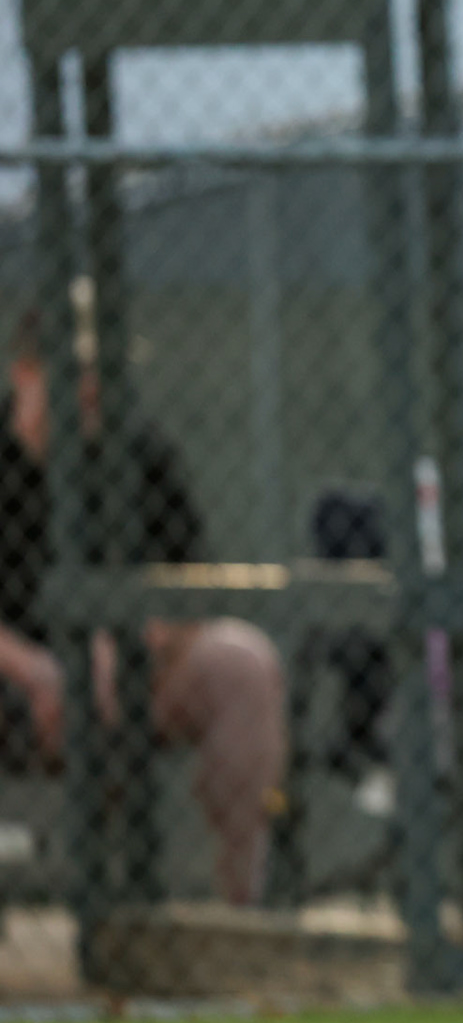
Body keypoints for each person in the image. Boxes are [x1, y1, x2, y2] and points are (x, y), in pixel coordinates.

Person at [0, 308, 286, 905]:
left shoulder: (141, 451)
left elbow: (192, 587)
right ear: (25, 372)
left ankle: (241, 916)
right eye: (76, 369)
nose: (95, 385)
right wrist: (37, 670)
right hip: (20, 680)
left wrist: (130, 647)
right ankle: (99, 907)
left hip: (130, 673)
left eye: (109, 369)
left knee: (243, 662)